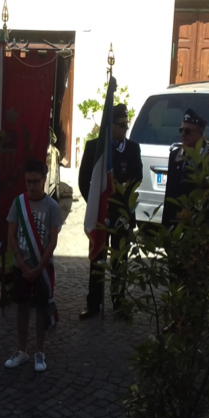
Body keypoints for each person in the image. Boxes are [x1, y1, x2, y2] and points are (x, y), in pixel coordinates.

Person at [78, 103, 142, 319]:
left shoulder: (132, 148)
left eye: (126, 124)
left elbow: (137, 177)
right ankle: (93, 303)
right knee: (97, 258)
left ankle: (119, 301)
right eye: (121, 124)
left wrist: (123, 197)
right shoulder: (95, 148)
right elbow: (84, 180)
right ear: (110, 126)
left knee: (119, 260)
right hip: (100, 214)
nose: (125, 128)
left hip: (122, 213)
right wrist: (96, 205)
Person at [4, 159, 62, 372]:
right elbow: (11, 234)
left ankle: (39, 351)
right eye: (28, 181)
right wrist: (20, 262)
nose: (31, 185)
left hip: (43, 267)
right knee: (21, 307)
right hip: (22, 266)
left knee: (40, 309)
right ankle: (22, 350)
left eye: (35, 181)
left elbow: (53, 241)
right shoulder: (18, 203)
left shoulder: (52, 206)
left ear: (44, 180)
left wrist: (39, 268)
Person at [161, 108, 209, 228]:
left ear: (200, 134)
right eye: (181, 130)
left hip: (198, 226)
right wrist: (165, 226)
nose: (183, 134)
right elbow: (169, 194)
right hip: (175, 222)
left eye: (188, 131)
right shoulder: (175, 155)